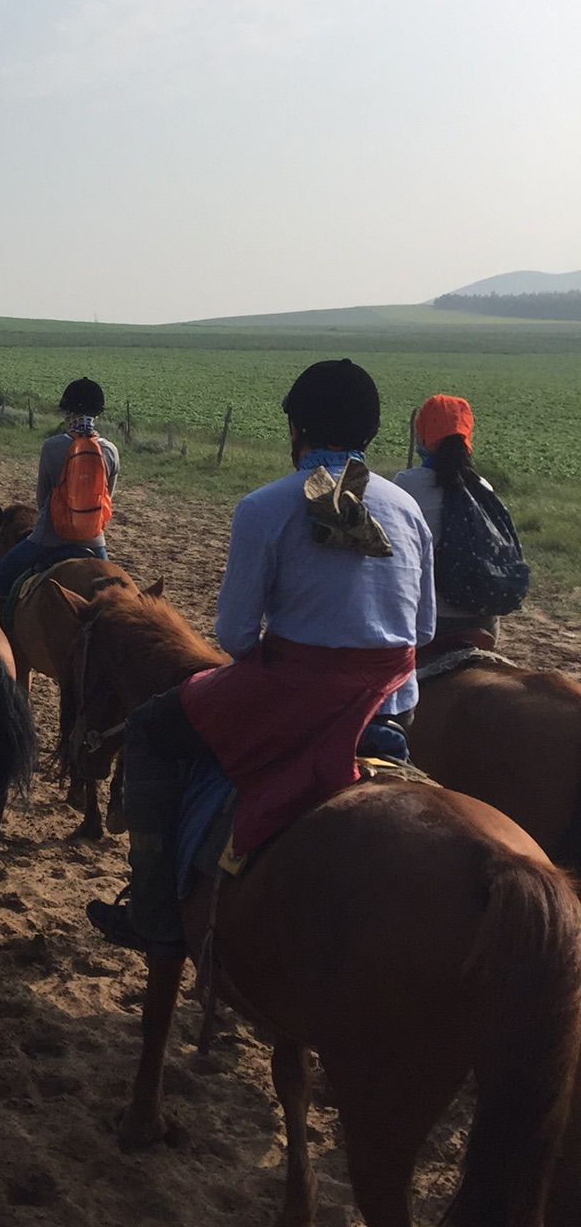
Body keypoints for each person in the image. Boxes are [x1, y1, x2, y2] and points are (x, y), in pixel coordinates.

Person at [87, 359, 435, 959]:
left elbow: (239, 636)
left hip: (292, 705)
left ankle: (152, 913)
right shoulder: (408, 509)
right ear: (370, 434)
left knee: (147, 729)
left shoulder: (265, 506)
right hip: (391, 708)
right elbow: (423, 629)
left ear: (296, 429)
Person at [394, 394, 528, 642]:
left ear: (424, 436)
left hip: (431, 621)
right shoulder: (483, 487)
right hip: (485, 622)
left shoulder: (407, 484)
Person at [0, 379, 120, 605]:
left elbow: (42, 500)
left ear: (67, 411)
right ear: (98, 412)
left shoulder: (52, 446)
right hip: (93, 542)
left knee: (0, 576)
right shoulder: (111, 451)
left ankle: (6, 630)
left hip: (48, 539)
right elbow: (108, 498)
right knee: (120, 596)